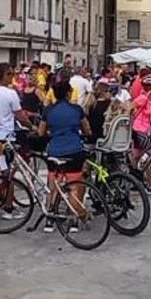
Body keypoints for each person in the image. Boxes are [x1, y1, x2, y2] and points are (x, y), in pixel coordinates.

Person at [37, 78, 91, 229]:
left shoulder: (48, 110)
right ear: (69, 93)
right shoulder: (77, 109)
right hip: (74, 150)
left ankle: (50, 219)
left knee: (53, 185)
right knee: (74, 186)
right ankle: (74, 219)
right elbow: (87, 129)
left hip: (54, 151)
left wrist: (51, 131)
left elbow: (41, 132)